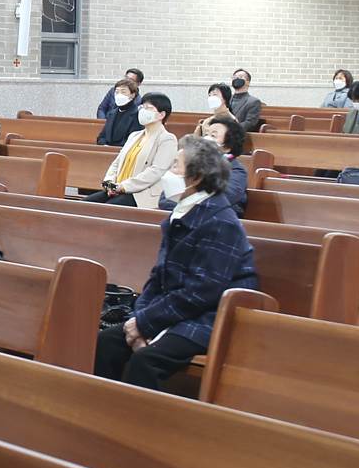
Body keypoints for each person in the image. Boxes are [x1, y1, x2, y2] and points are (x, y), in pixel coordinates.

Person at [94, 136, 257, 390]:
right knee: (106, 343)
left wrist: (146, 323)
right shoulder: (182, 211)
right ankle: (101, 408)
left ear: (196, 177)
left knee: (146, 361)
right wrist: (139, 318)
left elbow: (202, 292)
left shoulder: (221, 222)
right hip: (175, 309)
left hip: (209, 317)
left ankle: (135, 416)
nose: (169, 173)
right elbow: (158, 276)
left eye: (175, 166)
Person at [87, 94, 178, 209]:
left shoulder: (167, 139)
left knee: (106, 209)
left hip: (140, 193)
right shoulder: (134, 136)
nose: (143, 111)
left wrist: (124, 186)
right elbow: (117, 163)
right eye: (142, 107)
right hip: (118, 188)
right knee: (84, 205)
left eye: (148, 108)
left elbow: (156, 171)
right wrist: (110, 183)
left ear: (161, 115)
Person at [94, 77, 141, 147]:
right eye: (117, 92)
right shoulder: (112, 114)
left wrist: (113, 147)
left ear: (132, 95)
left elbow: (133, 140)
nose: (119, 95)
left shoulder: (137, 115)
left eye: (123, 92)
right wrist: (104, 144)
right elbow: (102, 137)